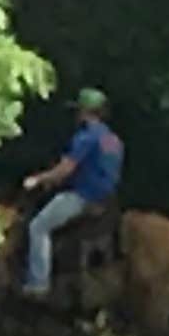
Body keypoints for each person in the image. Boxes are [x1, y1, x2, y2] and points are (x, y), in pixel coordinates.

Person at [19, 85, 125, 299]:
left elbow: (65, 169)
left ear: (85, 112)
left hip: (84, 197)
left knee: (38, 227)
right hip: (108, 199)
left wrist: (38, 180)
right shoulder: (113, 140)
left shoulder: (86, 137)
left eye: (78, 111)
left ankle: (38, 284)